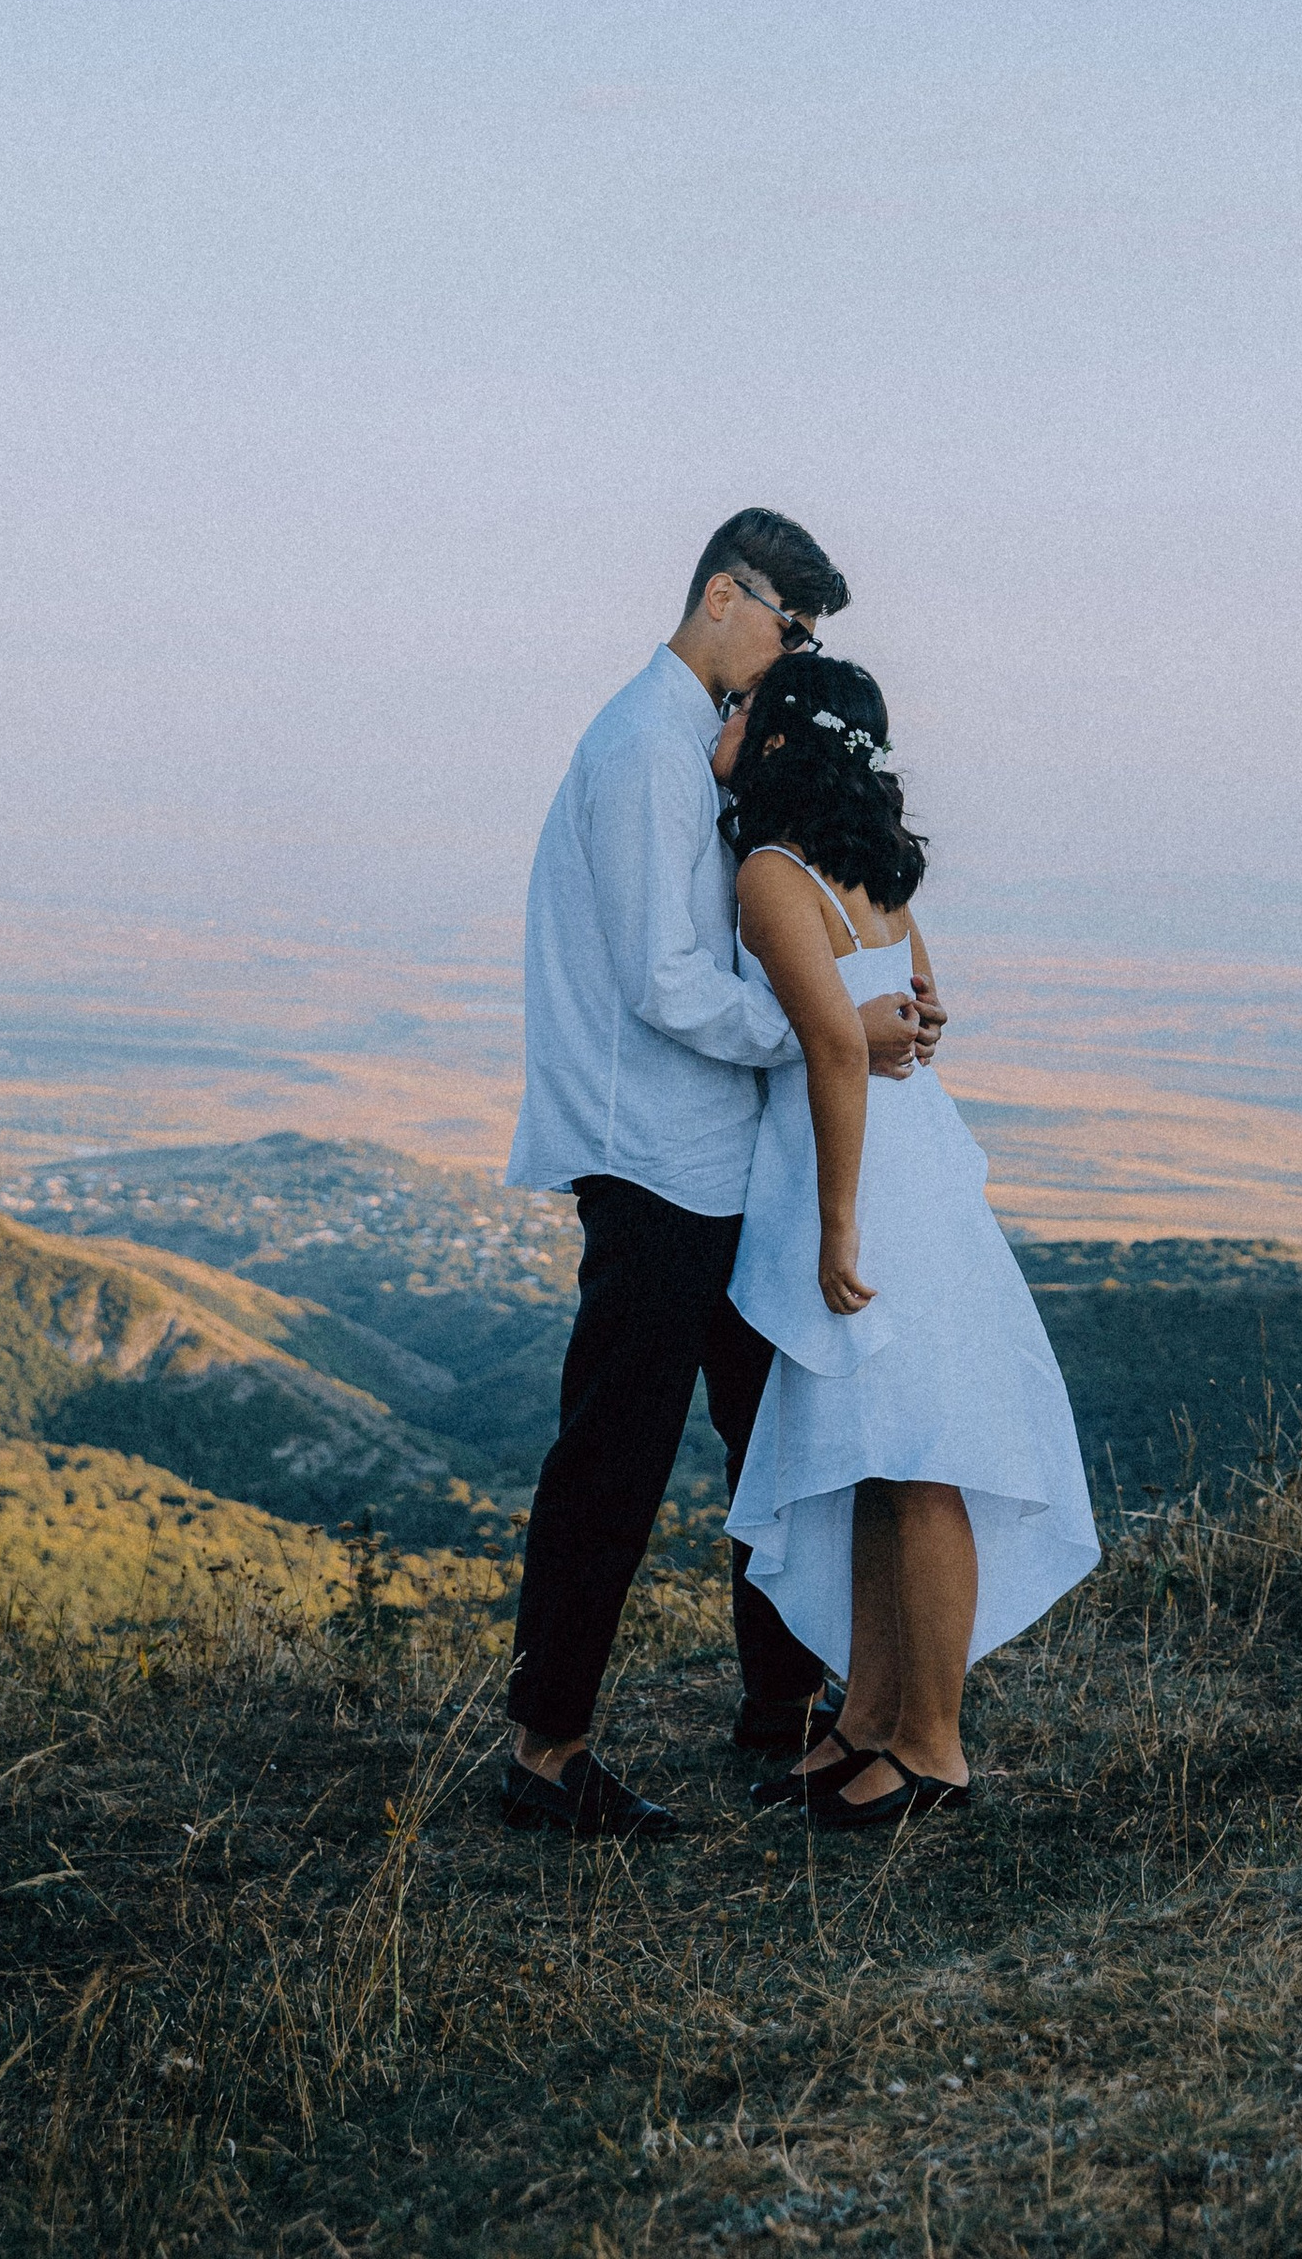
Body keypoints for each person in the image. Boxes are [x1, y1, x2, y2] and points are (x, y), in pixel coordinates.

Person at [500, 511, 944, 1841]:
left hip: (718, 1158)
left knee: (774, 1449)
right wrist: (830, 1035)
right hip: (656, 1164)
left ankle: (786, 1715)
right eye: (790, 628)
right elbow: (667, 983)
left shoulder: (683, 749)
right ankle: (547, 1750)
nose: (790, 657)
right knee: (616, 1462)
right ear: (723, 596)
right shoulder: (645, 753)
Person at [717, 649, 1098, 1826]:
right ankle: (869, 1721)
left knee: (921, 1459)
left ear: (783, 743)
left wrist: (835, 1224)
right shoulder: (876, 876)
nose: (722, 725)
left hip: (871, 1184)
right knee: (881, 1461)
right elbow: (925, 1006)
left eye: (743, 712)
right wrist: (903, 1026)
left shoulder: (774, 875)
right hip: (922, 1170)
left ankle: (933, 1747)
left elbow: (837, 1047)